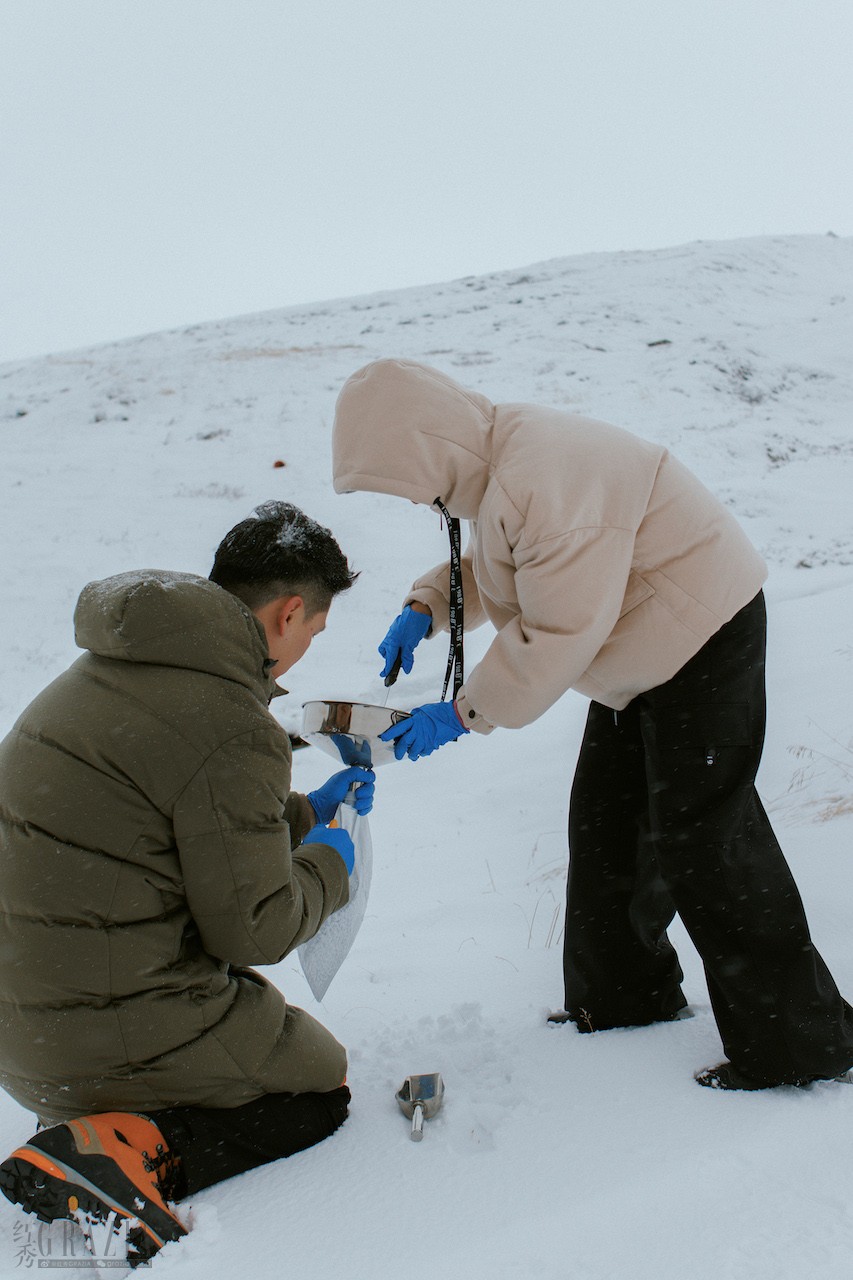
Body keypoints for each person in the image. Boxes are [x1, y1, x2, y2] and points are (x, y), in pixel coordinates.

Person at [331, 356, 853, 1093]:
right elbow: (504, 563)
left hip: (700, 632)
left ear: (426, 446)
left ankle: (798, 1043)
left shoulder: (546, 473)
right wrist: (428, 606)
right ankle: (621, 997)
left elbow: (562, 625)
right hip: (638, 649)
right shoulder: (498, 461)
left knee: (706, 838)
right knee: (608, 823)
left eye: (402, 479)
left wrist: (461, 713)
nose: (414, 500)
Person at [0, 501, 374, 1265]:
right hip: (92, 1021)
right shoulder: (231, 721)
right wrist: (334, 861)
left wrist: (298, 815)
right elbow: (254, 930)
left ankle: (98, 1117)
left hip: (24, 1023)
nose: (304, 649)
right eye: (312, 632)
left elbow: (164, 818)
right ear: (289, 611)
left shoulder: (116, 666)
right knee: (317, 1087)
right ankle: (117, 1146)